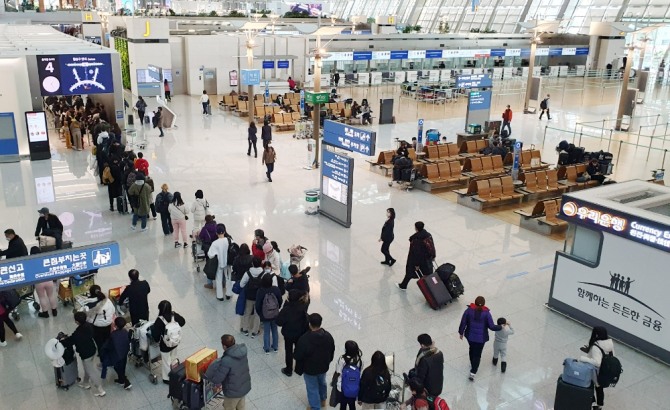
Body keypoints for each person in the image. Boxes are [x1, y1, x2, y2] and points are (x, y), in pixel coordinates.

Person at [294, 313, 336, 410]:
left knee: (312, 388)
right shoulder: (328, 336)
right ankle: (323, 400)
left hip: (310, 369)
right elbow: (332, 350)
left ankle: (315, 407)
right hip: (324, 366)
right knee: (322, 382)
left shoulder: (304, 339)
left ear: (309, 324)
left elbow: (297, 355)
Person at [59, 312, 105, 396]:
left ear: (77, 321)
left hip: (86, 354)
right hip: (92, 350)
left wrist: (61, 342)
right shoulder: (89, 325)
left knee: (91, 371)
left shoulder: (78, 333)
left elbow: (70, 341)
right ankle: (85, 383)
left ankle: (100, 390)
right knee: (88, 368)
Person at [458, 296, 502, 381]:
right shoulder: (486, 313)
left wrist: (461, 332)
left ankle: (472, 364)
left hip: (470, 336)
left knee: (471, 349)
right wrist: (500, 327)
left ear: (475, 302)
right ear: (484, 304)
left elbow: (463, 322)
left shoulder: (468, 311)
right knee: (477, 354)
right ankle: (473, 372)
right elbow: (492, 326)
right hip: (481, 338)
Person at [205, 334, 252, 410]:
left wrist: (208, 377)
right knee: (241, 407)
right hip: (243, 387)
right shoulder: (242, 352)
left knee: (229, 407)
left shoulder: (226, 360)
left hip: (232, 392)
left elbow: (218, 379)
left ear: (224, 346)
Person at [578, 326, 614, 410]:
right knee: (599, 388)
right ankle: (600, 405)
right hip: (605, 371)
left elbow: (597, 362)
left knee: (588, 384)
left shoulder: (596, 346)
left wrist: (584, 359)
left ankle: (593, 403)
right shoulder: (609, 343)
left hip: (596, 372)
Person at [276, 289, 309, 377]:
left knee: (289, 351)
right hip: (300, 333)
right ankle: (299, 369)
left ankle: (289, 369)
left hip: (288, 334)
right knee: (299, 350)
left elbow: (279, 322)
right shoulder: (303, 306)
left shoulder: (286, 309)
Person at [152, 300, 186, 383]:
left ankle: (167, 378)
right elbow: (183, 321)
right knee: (173, 357)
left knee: (166, 361)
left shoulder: (160, 320)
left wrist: (157, 340)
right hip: (175, 342)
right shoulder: (174, 315)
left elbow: (155, 334)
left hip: (165, 345)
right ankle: (175, 372)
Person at [397, 221, 436, 290]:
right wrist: (433, 256)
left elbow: (417, 253)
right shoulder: (428, 235)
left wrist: (417, 264)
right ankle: (433, 288)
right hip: (427, 259)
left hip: (418, 260)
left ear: (416, 228)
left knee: (410, 272)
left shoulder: (417, 239)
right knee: (427, 273)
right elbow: (432, 246)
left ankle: (403, 285)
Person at [81, 284, 115, 357]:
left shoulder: (89, 304)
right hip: (108, 324)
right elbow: (113, 311)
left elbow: (86, 316)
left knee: (99, 342)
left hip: (97, 327)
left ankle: (102, 355)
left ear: (91, 293)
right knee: (106, 339)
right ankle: (108, 352)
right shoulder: (107, 300)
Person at [407, 334, 444, 399]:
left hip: (429, 390)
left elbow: (420, 377)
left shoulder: (424, 359)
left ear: (422, 345)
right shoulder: (440, 353)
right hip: (439, 386)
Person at [100, 316, 132, 390]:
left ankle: (126, 382)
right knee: (122, 367)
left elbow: (107, 346)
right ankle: (121, 380)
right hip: (124, 353)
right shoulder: (125, 332)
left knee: (117, 368)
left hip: (116, 355)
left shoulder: (113, 335)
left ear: (115, 325)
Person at [255, 274, 283, 354]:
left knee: (266, 331)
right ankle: (275, 347)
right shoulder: (276, 289)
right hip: (275, 313)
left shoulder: (260, 291)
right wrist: (277, 309)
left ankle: (266, 348)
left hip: (265, 314)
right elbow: (280, 300)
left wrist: (260, 314)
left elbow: (258, 304)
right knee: (274, 330)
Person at [30, 247, 58, 318]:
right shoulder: (45, 258)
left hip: (39, 281)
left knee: (42, 297)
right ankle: (54, 311)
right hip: (48, 279)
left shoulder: (30, 261)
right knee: (51, 295)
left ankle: (45, 313)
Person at [335, 340, 363, 410]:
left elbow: (338, 372)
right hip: (354, 387)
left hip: (343, 388)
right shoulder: (359, 360)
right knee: (352, 405)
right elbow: (360, 371)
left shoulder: (342, 359)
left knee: (343, 405)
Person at [239, 256, 263, 337]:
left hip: (249, 296)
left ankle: (245, 329)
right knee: (257, 314)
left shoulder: (247, 273)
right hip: (259, 297)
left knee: (247, 312)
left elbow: (241, 284)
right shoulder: (263, 273)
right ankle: (255, 331)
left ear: (252, 263)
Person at [207, 224, 230, 300]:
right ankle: (228, 294)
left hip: (219, 264)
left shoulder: (215, 243)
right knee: (228, 278)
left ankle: (220, 296)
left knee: (218, 279)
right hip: (228, 263)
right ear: (224, 231)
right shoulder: (229, 240)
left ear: (216, 233)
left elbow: (210, 255)